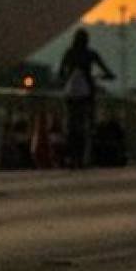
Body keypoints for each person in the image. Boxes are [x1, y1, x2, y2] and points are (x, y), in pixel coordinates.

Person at [57, 28, 114, 171]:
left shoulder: (69, 53)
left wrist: (67, 79)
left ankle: (71, 157)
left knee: (71, 125)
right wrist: (106, 76)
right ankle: (84, 158)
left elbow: (60, 72)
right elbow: (106, 70)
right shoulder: (90, 54)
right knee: (86, 125)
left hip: (71, 94)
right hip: (87, 94)